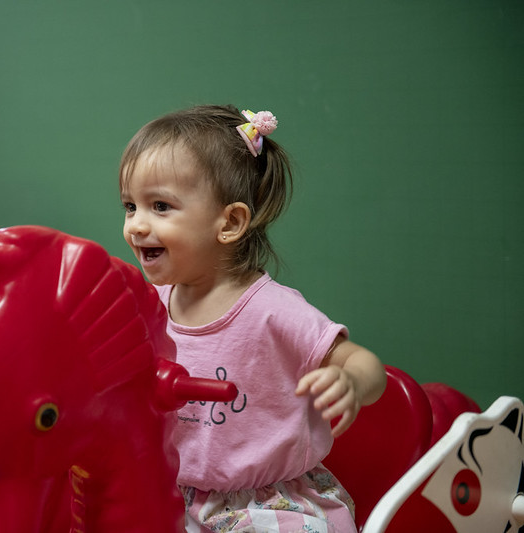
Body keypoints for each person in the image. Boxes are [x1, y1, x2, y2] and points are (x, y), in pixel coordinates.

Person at [119, 104, 387, 533]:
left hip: (269, 504)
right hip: (171, 493)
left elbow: (367, 365)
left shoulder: (272, 310)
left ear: (230, 222)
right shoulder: (147, 305)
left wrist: (352, 380)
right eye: (130, 206)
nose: (136, 225)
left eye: (160, 206)